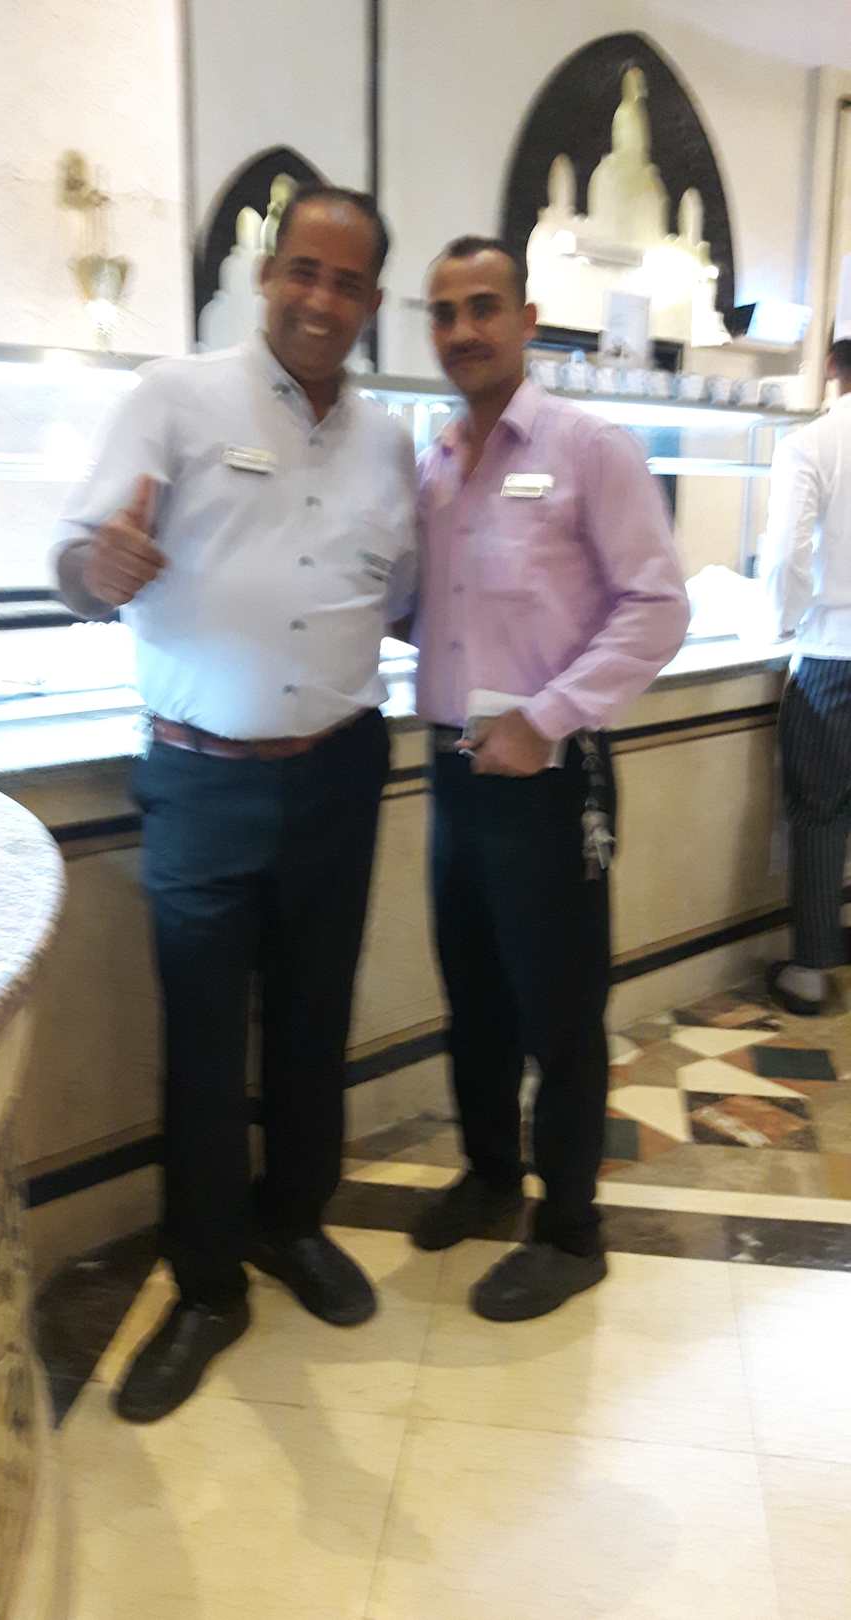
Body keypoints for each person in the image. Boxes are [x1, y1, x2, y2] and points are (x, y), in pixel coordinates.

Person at [54, 185, 417, 1421]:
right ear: (267, 274)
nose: (320, 299)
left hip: (340, 771)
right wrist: (96, 570)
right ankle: (207, 1286)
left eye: (346, 282)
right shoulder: (174, 396)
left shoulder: (389, 441)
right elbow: (76, 561)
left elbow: (401, 597)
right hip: (201, 778)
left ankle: (291, 1223)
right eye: (302, 271)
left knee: (314, 1023)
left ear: (371, 302)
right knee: (204, 1047)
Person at [409, 236, 689, 1322]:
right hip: (453, 774)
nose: (463, 330)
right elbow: (426, 611)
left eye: (483, 306)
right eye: (443, 312)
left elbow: (656, 607)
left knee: (559, 1015)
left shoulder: (588, 449)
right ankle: (490, 1175)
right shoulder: (435, 464)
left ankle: (571, 1231)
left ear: (526, 320)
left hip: (550, 778)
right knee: (472, 996)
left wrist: (547, 716)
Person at [758, 332, 851, 1016]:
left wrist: (779, 622)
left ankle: (811, 973)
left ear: (830, 366)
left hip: (831, 659)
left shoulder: (811, 444)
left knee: (818, 812)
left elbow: (787, 556)